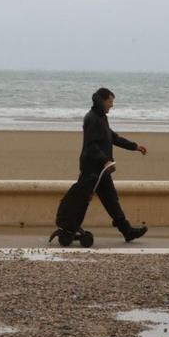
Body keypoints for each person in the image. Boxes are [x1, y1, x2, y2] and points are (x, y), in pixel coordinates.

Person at [55, 87, 148, 242]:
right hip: (91, 169)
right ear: (102, 100)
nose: (112, 105)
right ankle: (69, 227)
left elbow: (113, 137)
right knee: (81, 200)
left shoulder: (101, 117)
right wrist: (105, 159)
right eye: (110, 101)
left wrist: (134, 146)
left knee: (111, 200)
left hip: (101, 170)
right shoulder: (91, 118)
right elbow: (91, 147)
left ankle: (127, 231)